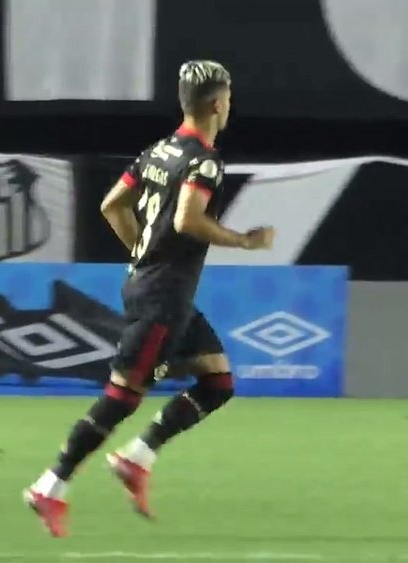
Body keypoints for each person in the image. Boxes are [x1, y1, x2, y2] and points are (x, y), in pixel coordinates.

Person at [22, 60, 275, 537]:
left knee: (217, 383)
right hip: (162, 299)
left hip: (160, 292)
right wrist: (243, 241)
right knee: (120, 398)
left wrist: (141, 251)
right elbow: (186, 219)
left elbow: (110, 204)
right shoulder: (204, 160)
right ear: (219, 103)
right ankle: (48, 486)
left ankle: (137, 458)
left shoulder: (158, 151)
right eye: (229, 97)